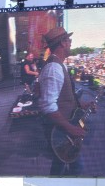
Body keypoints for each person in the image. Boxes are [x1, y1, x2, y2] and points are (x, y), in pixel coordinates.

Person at [38, 27, 93, 176]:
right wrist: (71, 128)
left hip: (64, 132)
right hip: (62, 133)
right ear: (62, 43)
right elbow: (48, 107)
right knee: (76, 168)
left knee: (60, 165)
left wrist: (83, 105)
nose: (71, 42)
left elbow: (63, 101)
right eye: (68, 40)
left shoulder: (59, 65)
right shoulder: (54, 68)